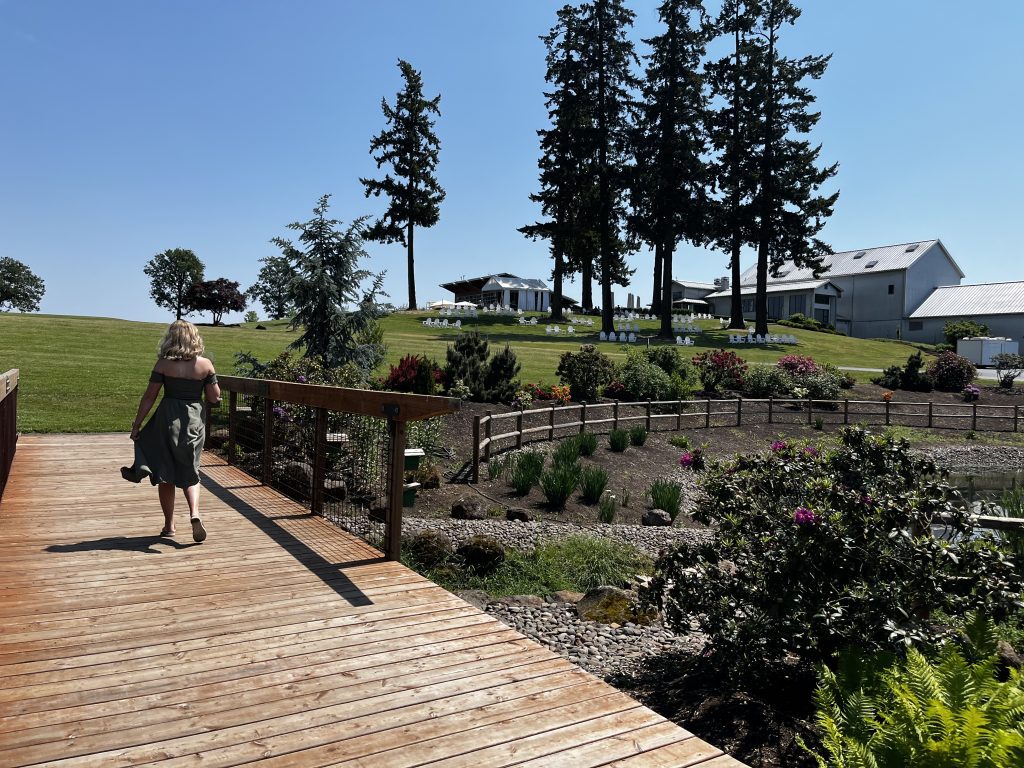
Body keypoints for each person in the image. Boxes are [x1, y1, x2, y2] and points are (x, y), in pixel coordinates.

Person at [121, 320, 221, 542]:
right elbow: (214, 398)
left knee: (165, 473)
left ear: (171, 339)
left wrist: (137, 425)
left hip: (167, 419)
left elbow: (150, 396)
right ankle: (194, 513)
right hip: (193, 421)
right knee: (190, 471)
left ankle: (169, 525)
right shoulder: (206, 365)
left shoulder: (163, 365)